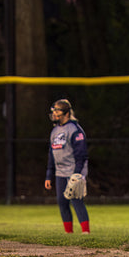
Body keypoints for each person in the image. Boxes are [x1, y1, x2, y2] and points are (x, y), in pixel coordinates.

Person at [44, 98, 90, 234]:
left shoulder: (75, 130)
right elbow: (51, 154)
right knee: (62, 203)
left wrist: (77, 174)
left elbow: (81, 155)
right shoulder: (55, 131)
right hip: (59, 172)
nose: (54, 114)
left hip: (73, 171)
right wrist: (48, 175)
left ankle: (85, 232)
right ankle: (68, 233)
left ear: (66, 113)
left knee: (76, 201)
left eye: (57, 110)